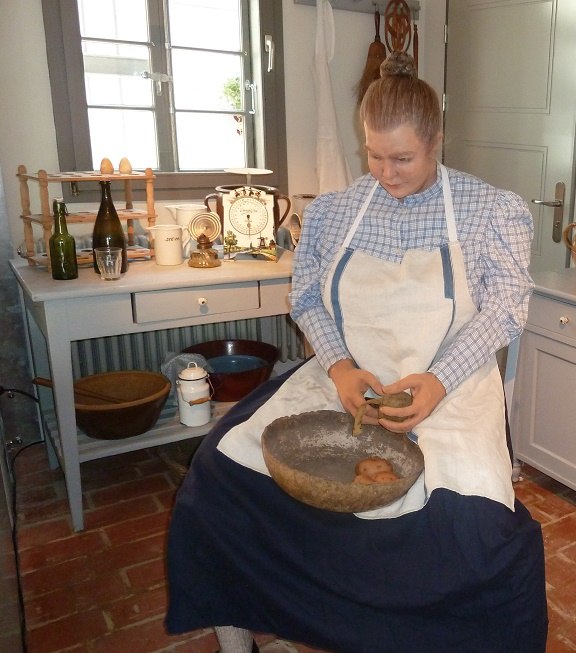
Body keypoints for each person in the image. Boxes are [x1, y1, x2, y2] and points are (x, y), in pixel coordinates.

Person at [165, 52, 548, 653]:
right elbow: (308, 298)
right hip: (347, 382)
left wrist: (437, 379)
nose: (386, 173)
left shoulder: (487, 210)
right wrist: (340, 367)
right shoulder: (337, 212)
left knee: (474, 530)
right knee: (222, 470)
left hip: (450, 386)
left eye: (403, 158)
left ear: (436, 140)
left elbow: (505, 308)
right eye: (374, 155)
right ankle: (239, 628)